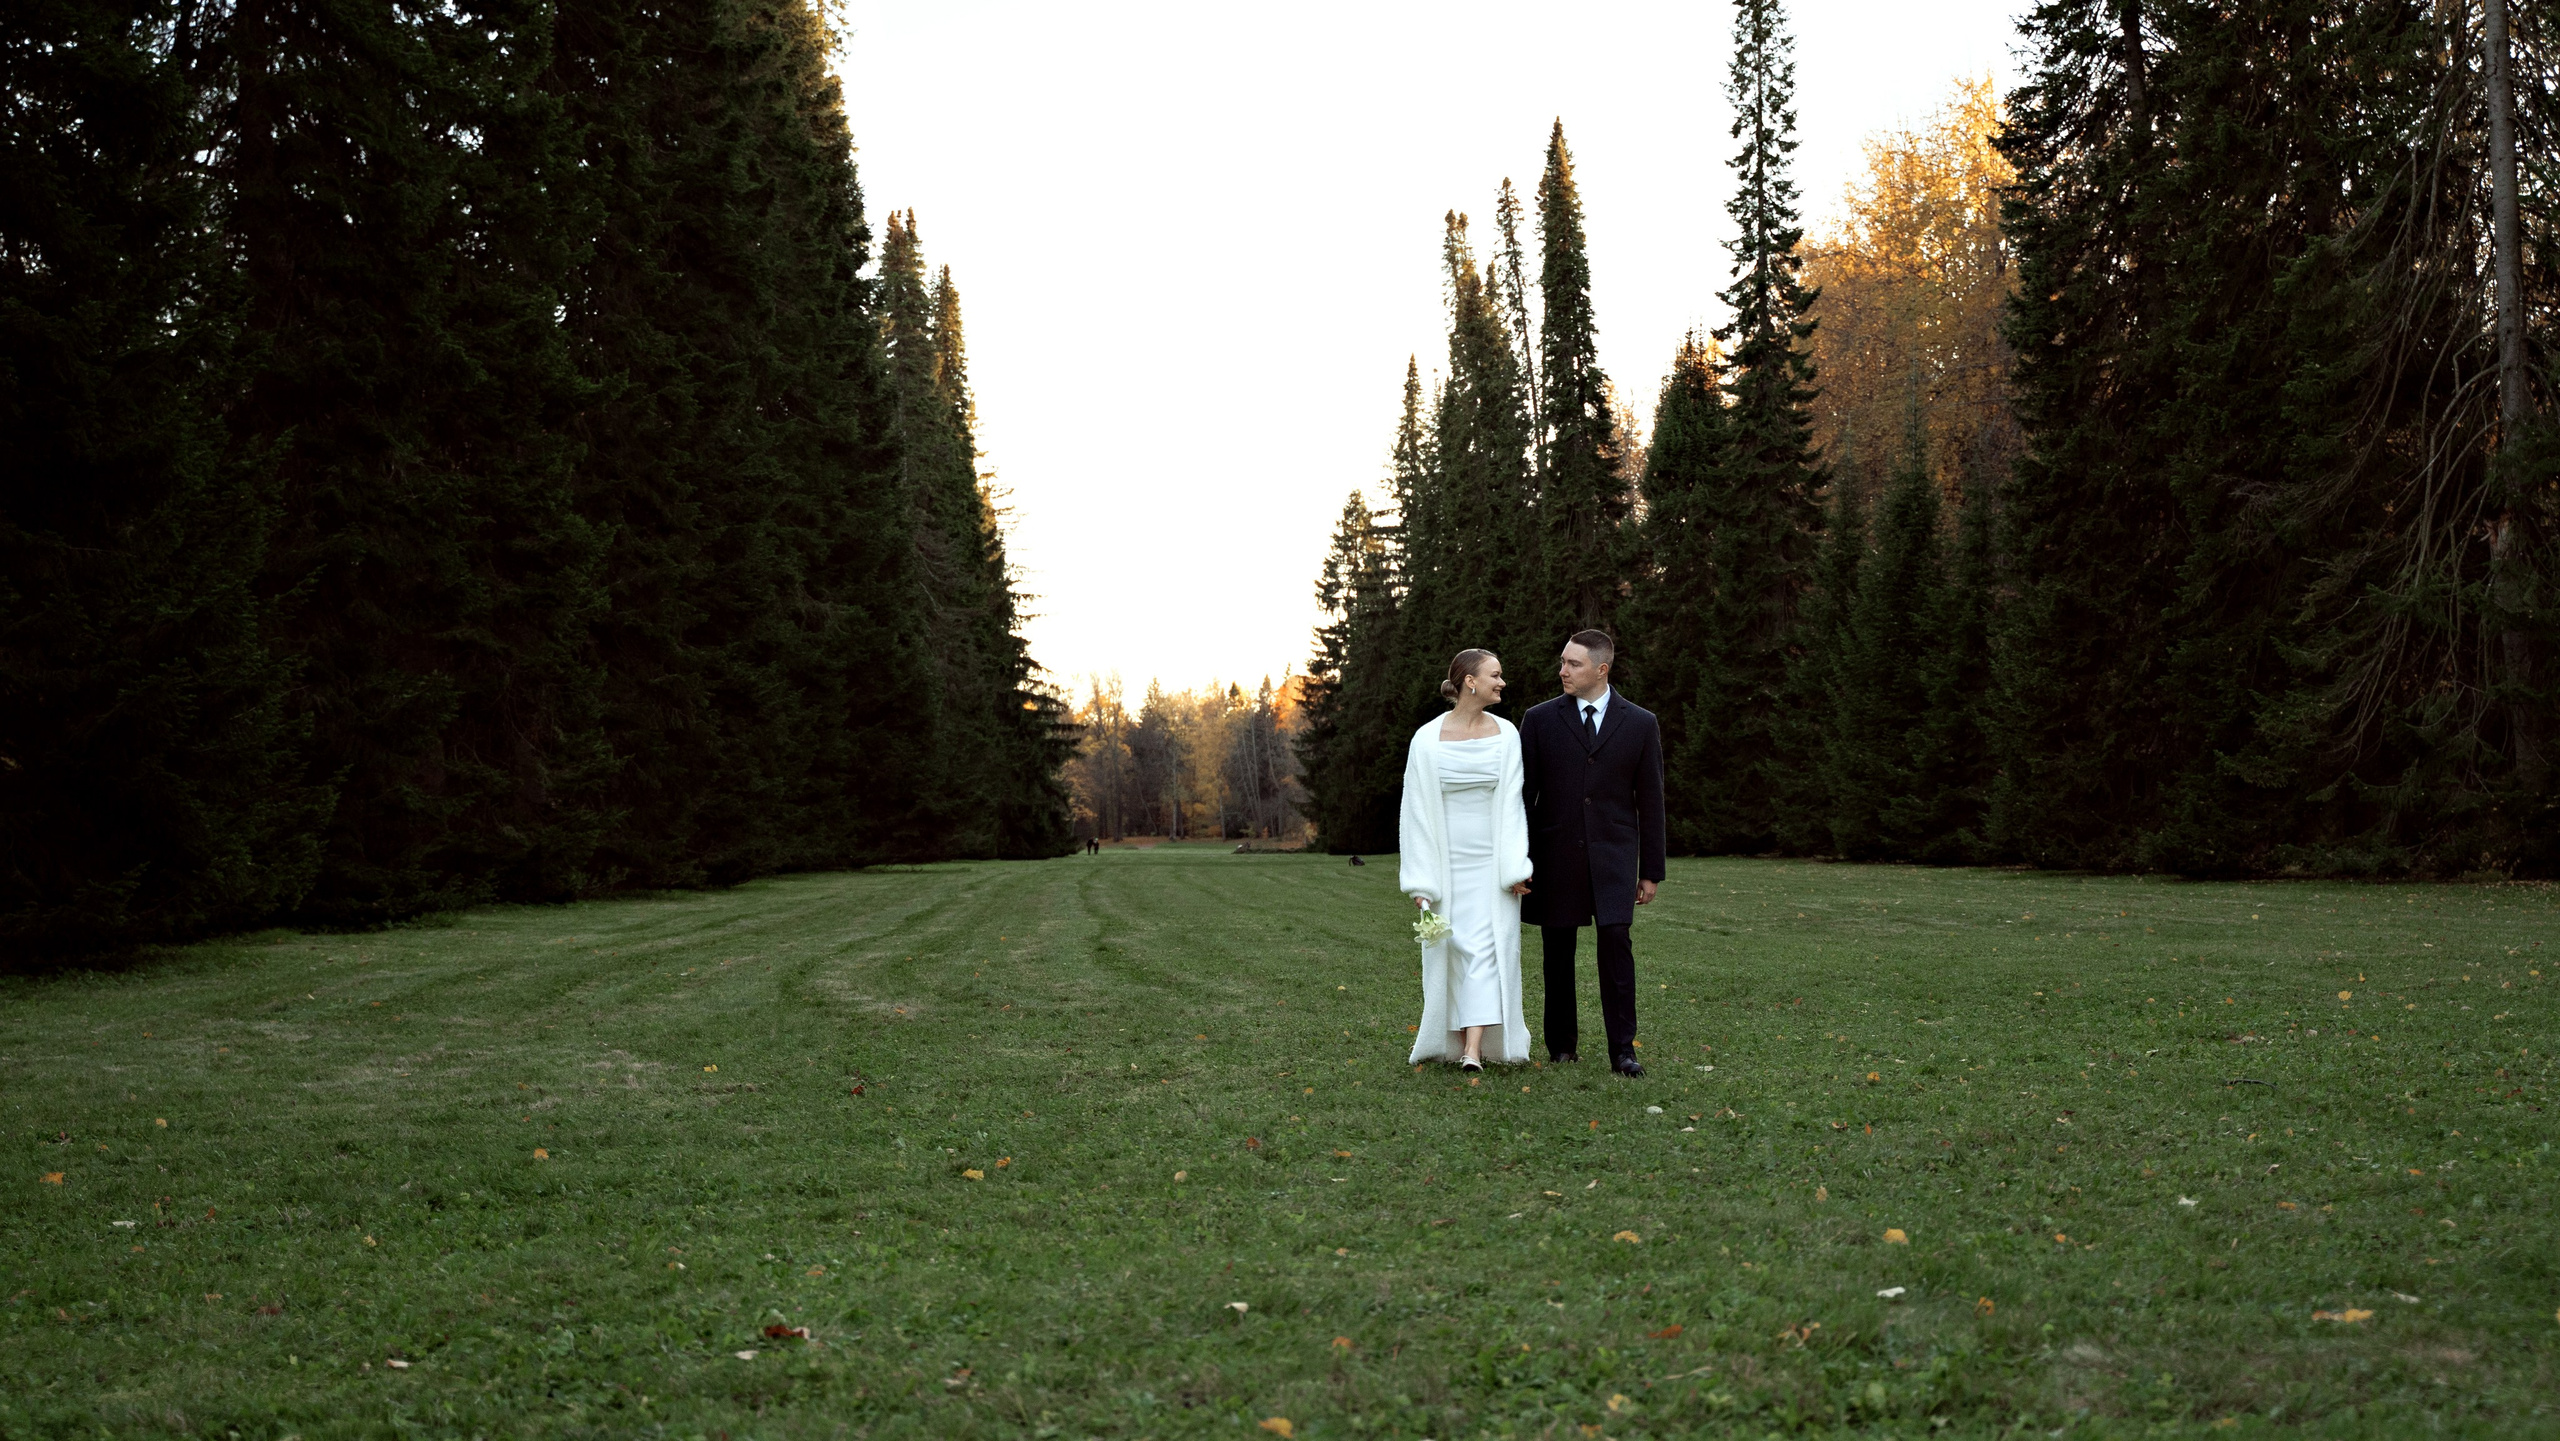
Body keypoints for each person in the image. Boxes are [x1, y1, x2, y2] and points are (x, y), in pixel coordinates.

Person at [1519, 630, 1665, 1077]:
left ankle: (1624, 1051)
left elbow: (1651, 799)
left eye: (1573, 664)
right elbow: (1523, 797)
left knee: (1617, 947)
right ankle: (1562, 1046)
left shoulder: (1641, 723)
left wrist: (1651, 871)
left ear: (1601, 670)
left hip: (1614, 857)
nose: (1562, 670)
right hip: (1555, 855)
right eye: (1562, 661)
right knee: (1557, 951)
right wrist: (1520, 861)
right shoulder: (1539, 720)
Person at [1398, 649, 1535, 1070]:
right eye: (1496, 674)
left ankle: (1474, 1050)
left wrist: (1515, 867)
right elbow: (1416, 811)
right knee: (1452, 949)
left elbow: (1513, 804)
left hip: (1491, 864)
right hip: (1445, 861)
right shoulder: (1426, 738)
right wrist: (1422, 881)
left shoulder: (1507, 734)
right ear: (1469, 682)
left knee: (1488, 950)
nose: (1503, 682)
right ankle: (1456, 1043)